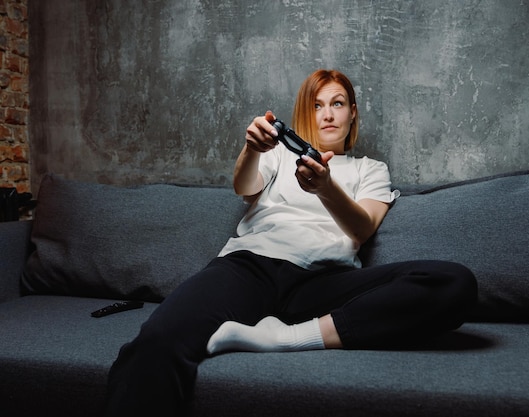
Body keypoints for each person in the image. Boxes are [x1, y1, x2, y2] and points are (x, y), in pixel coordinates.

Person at [104, 69, 477, 416]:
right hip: (250, 268)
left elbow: (362, 229)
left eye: (337, 103)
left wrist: (326, 187)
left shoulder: (370, 169)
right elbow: (244, 187)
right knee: (156, 342)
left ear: (351, 113)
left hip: (323, 283)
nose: (327, 114)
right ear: (305, 114)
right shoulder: (280, 154)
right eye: (317, 106)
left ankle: (286, 338)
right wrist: (252, 148)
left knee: (454, 283)